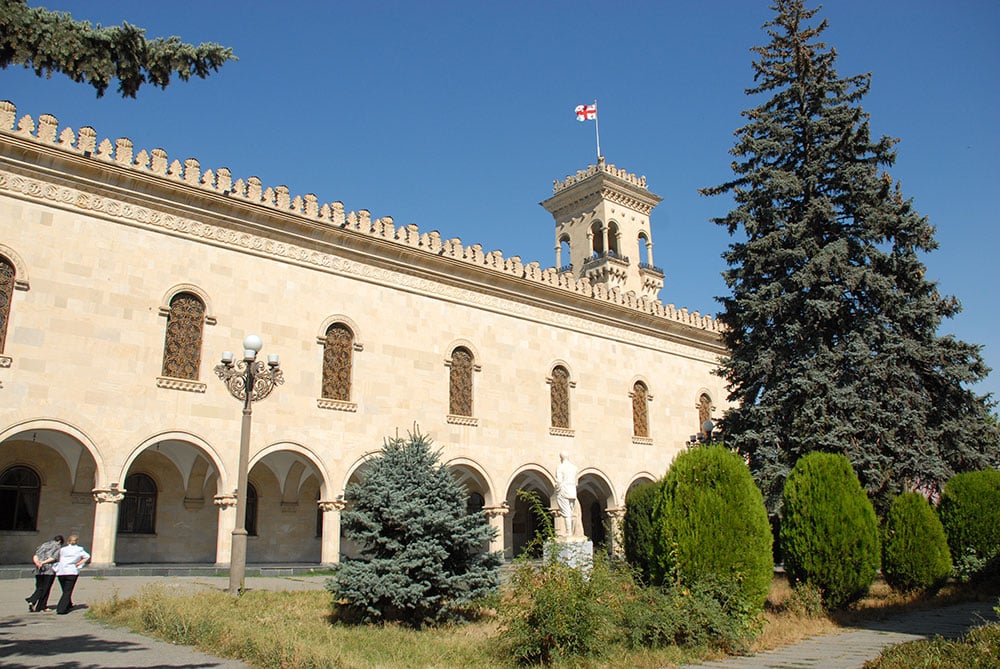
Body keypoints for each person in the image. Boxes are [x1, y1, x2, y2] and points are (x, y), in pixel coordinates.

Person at [53, 534, 90, 615]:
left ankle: (68, 604)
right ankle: (61, 609)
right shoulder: (79, 549)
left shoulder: (63, 549)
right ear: (76, 541)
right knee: (68, 591)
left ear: (68, 541)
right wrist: (79, 563)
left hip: (61, 571)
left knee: (64, 589)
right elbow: (87, 556)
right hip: (72, 571)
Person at [26, 534, 63, 612]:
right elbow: (53, 558)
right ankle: (36, 602)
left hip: (38, 569)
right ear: (59, 541)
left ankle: (35, 603)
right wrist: (43, 562)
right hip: (49, 569)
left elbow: (36, 555)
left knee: (39, 587)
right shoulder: (57, 547)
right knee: (46, 588)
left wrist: (37, 563)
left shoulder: (44, 545)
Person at [555, 451, 578, 536]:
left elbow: (559, 481)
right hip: (572, 490)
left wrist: (556, 488)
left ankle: (569, 532)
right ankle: (572, 531)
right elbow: (576, 482)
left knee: (566, 512)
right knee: (571, 512)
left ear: (561, 458)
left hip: (564, 490)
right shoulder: (574, 468)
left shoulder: (560, 467)